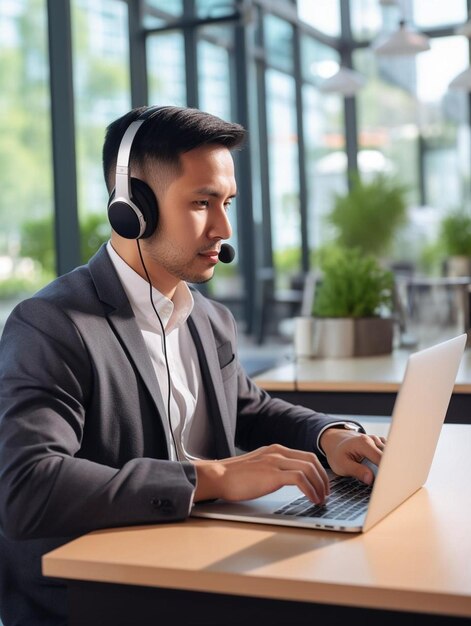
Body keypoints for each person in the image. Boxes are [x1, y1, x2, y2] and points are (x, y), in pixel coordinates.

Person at [0, 105, 385, 626]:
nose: (224, 227)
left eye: (226, 202)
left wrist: (328, 435)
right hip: (95, 595)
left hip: (200, 563)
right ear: (133, 206)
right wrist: (214, 477)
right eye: (202, 203)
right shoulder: (51, 325)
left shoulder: (207, 317)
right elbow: (27, 486)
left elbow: (248, 408)